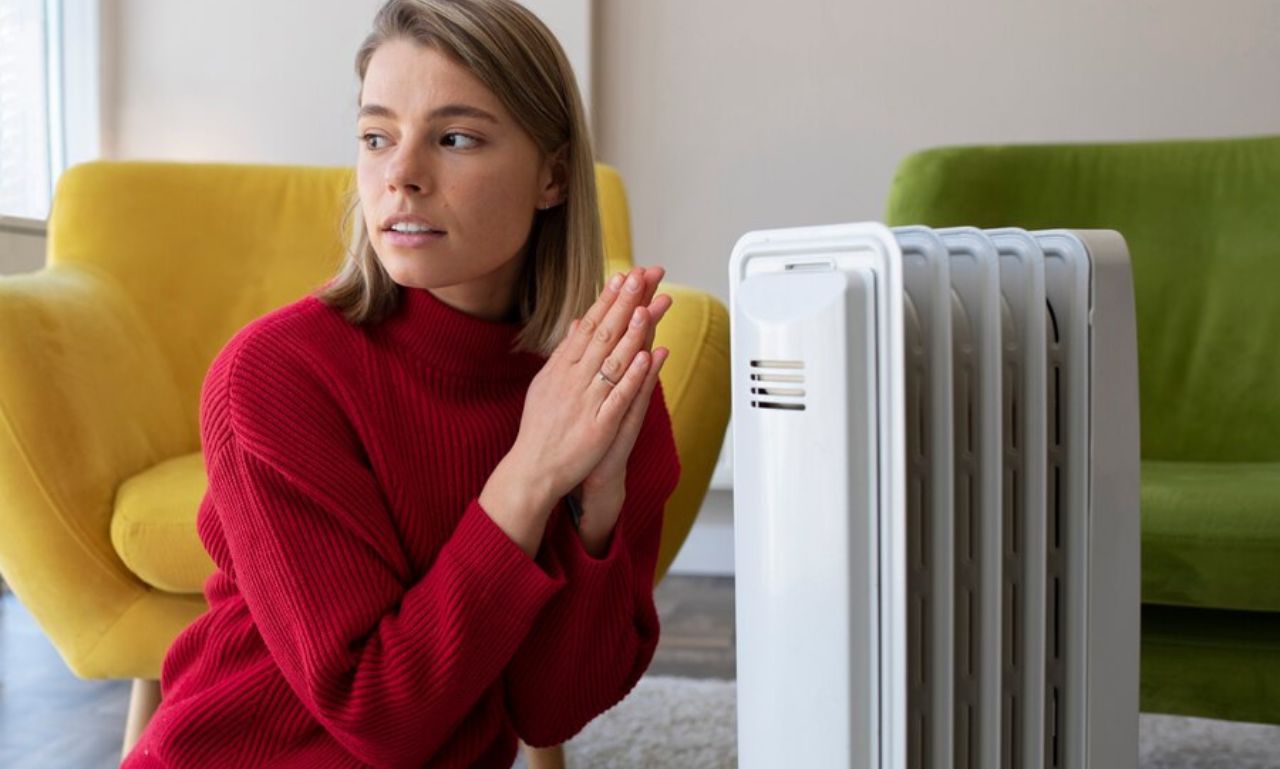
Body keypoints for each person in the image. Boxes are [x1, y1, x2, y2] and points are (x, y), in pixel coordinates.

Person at [120, 0, 680, 766]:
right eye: (377, 137)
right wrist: (530, 473)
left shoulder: (599, 390)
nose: (401, 176)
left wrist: (596, 508)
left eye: (454, 138)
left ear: (552, 175)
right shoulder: (275, 376)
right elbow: (376, 712)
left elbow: (552, 706)